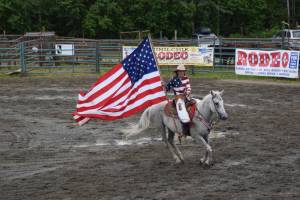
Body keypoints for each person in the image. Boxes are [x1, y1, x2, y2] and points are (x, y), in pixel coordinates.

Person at [165, 64, 192, 136]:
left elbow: (188, 87)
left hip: (186, 96)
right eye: (180, 71)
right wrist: (163, 85)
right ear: (177, 72)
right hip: (178, 98)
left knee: (196, 103)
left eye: (183, 71)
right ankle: (185, 127)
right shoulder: (173, 79)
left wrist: (188, 92)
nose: (181, 73)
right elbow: (167, 88)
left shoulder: (186, 78)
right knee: (182, 109)